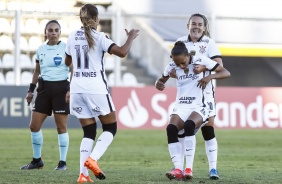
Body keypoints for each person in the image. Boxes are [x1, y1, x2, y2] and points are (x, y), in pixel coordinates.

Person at [64, 4, 139, 183]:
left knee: (89, 131)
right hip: (95, 89)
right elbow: (121, 52)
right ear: (96, 19)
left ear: (81, 19)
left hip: (76, 89)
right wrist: (130, 38)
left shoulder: (72, 36)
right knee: (110, 128)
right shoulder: (100, 37)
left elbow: (68, 61)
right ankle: (93, 159)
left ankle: (83, 175)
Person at [155, 41, 230, 181]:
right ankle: (178, 168)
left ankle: (188, 168)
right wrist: (159, 83)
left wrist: (208, 77)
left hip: (198, 105)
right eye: (177, 64)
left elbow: (226, 72)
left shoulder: (201, 60)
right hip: (181, 105)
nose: (181, 66)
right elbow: (161, 80)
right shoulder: (172, 65)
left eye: (183, 62)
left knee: (190, 126)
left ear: (188, 55)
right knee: (171, 129)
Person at [170, 13, 223, 180]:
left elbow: (220, 67)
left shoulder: (209, 43)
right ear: (188, 25)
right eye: (194, 24)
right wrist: (172, 74)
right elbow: (174, 66)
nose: (197, 27)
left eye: (200, 24)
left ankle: (213, 169)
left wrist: (206, 72)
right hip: (186, 95)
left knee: (208, 130)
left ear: (204, 27)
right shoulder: (180, 42)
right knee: (180, 129)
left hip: (205, 94)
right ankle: (179, 167)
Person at [21, 20, 72, 170]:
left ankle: (62, 163)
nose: (53, 33)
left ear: (60, 33)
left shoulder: (66, 48)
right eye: (50, 30)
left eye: (56, 30)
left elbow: (73, 69)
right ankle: (37, 161)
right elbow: (37, 71)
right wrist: (31, 90)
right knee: (34, 126)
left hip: (61, 89)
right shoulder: (40, 49)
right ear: (46, 32)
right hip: (43, 89)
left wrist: (71, 88)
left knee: (61, 127)